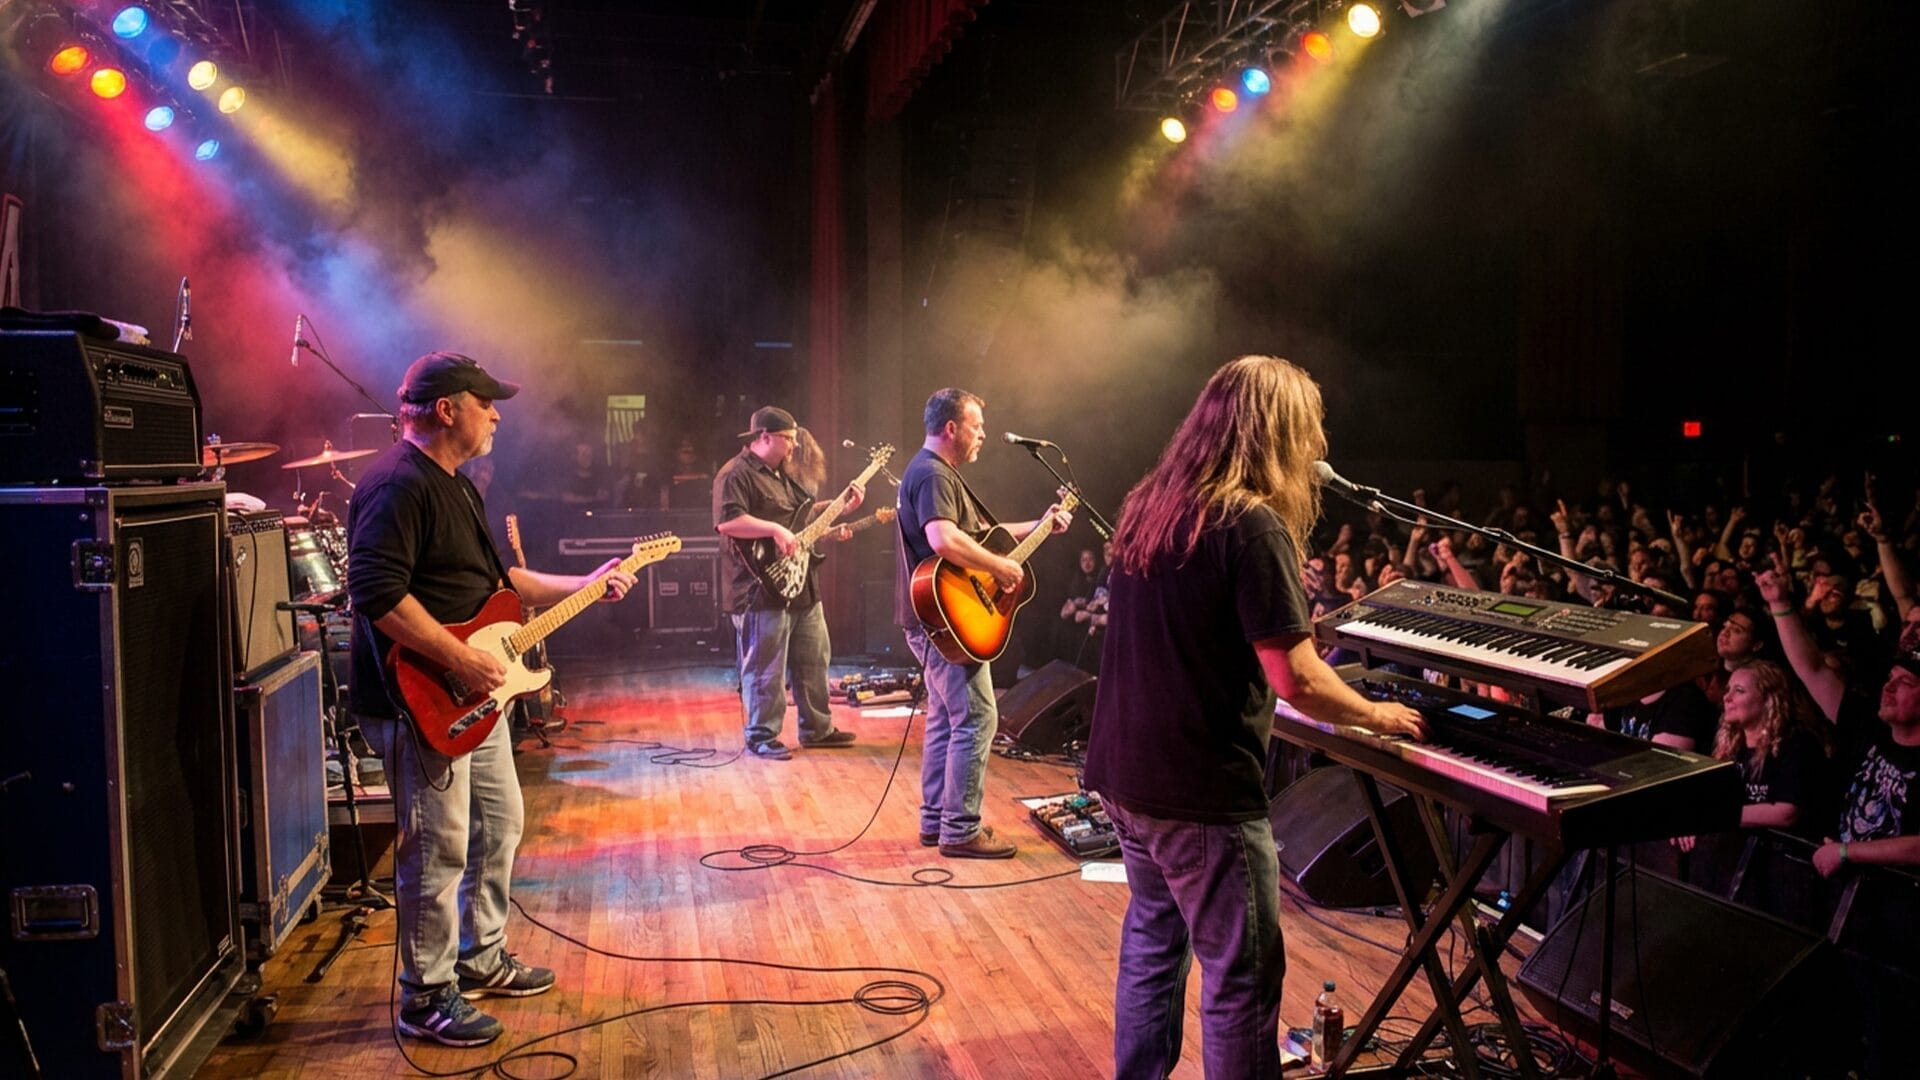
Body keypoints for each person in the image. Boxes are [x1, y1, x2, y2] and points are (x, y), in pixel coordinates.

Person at [1081, 356, 1426, 1079]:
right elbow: (1296, 680)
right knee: (1241, 977)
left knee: (1152, 941)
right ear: (1277, 434)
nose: (1318, 451)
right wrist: (1375, 714)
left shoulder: (1153, 503)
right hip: (1198, 790)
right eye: (1309, 432)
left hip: (1124, 771)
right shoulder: (1251, 524)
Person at [347, 352, 637, 1047]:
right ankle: (425, 996)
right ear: (447, 409)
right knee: (439, 846)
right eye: (486, 402)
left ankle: (478, 959)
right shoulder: (397, 484)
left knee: (499, 825)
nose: (498, 414)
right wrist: (460, 660)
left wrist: (587, 582)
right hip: (420, 700)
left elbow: (501, 586)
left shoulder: (456, 485)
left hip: (471, 694)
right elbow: (375, 593)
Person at [895, 387, 1071, 858]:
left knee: (946, 720)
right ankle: (961, 829)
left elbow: (976, 535)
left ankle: (937, 822)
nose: (983, 435)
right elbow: (944, 539)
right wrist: (998, 567)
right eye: (977, 426)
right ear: (951, 428)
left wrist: (1038, 525)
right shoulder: (933, 473)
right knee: (977, 716)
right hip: (944, 620)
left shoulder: (933, 471)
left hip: (935, 617)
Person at [713, 406, 861, 759]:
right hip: (759, 587)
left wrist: (839, 508)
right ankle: (762, 735)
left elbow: (801, 516)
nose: (795, 446)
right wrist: (774, 530)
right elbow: (728, 522)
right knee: (766, 666)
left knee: (814, 657)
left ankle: (817, 728)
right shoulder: (735, 474)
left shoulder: (783, 475)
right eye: (789, 439)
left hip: (801, 583)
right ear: (764, 436)